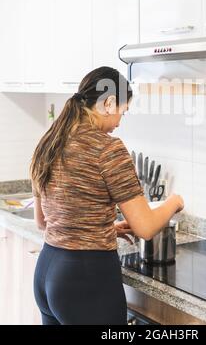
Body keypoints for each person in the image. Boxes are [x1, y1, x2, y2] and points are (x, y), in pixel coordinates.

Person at [31, 66, 184, 325]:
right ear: (109, 102)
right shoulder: (108, 149)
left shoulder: (49, 142)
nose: (120, 122)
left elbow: (43, 221)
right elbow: (145, 227)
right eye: (123, 112)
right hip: (86, 279)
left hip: (48, 273)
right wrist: (173, 202)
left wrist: (103, 228)